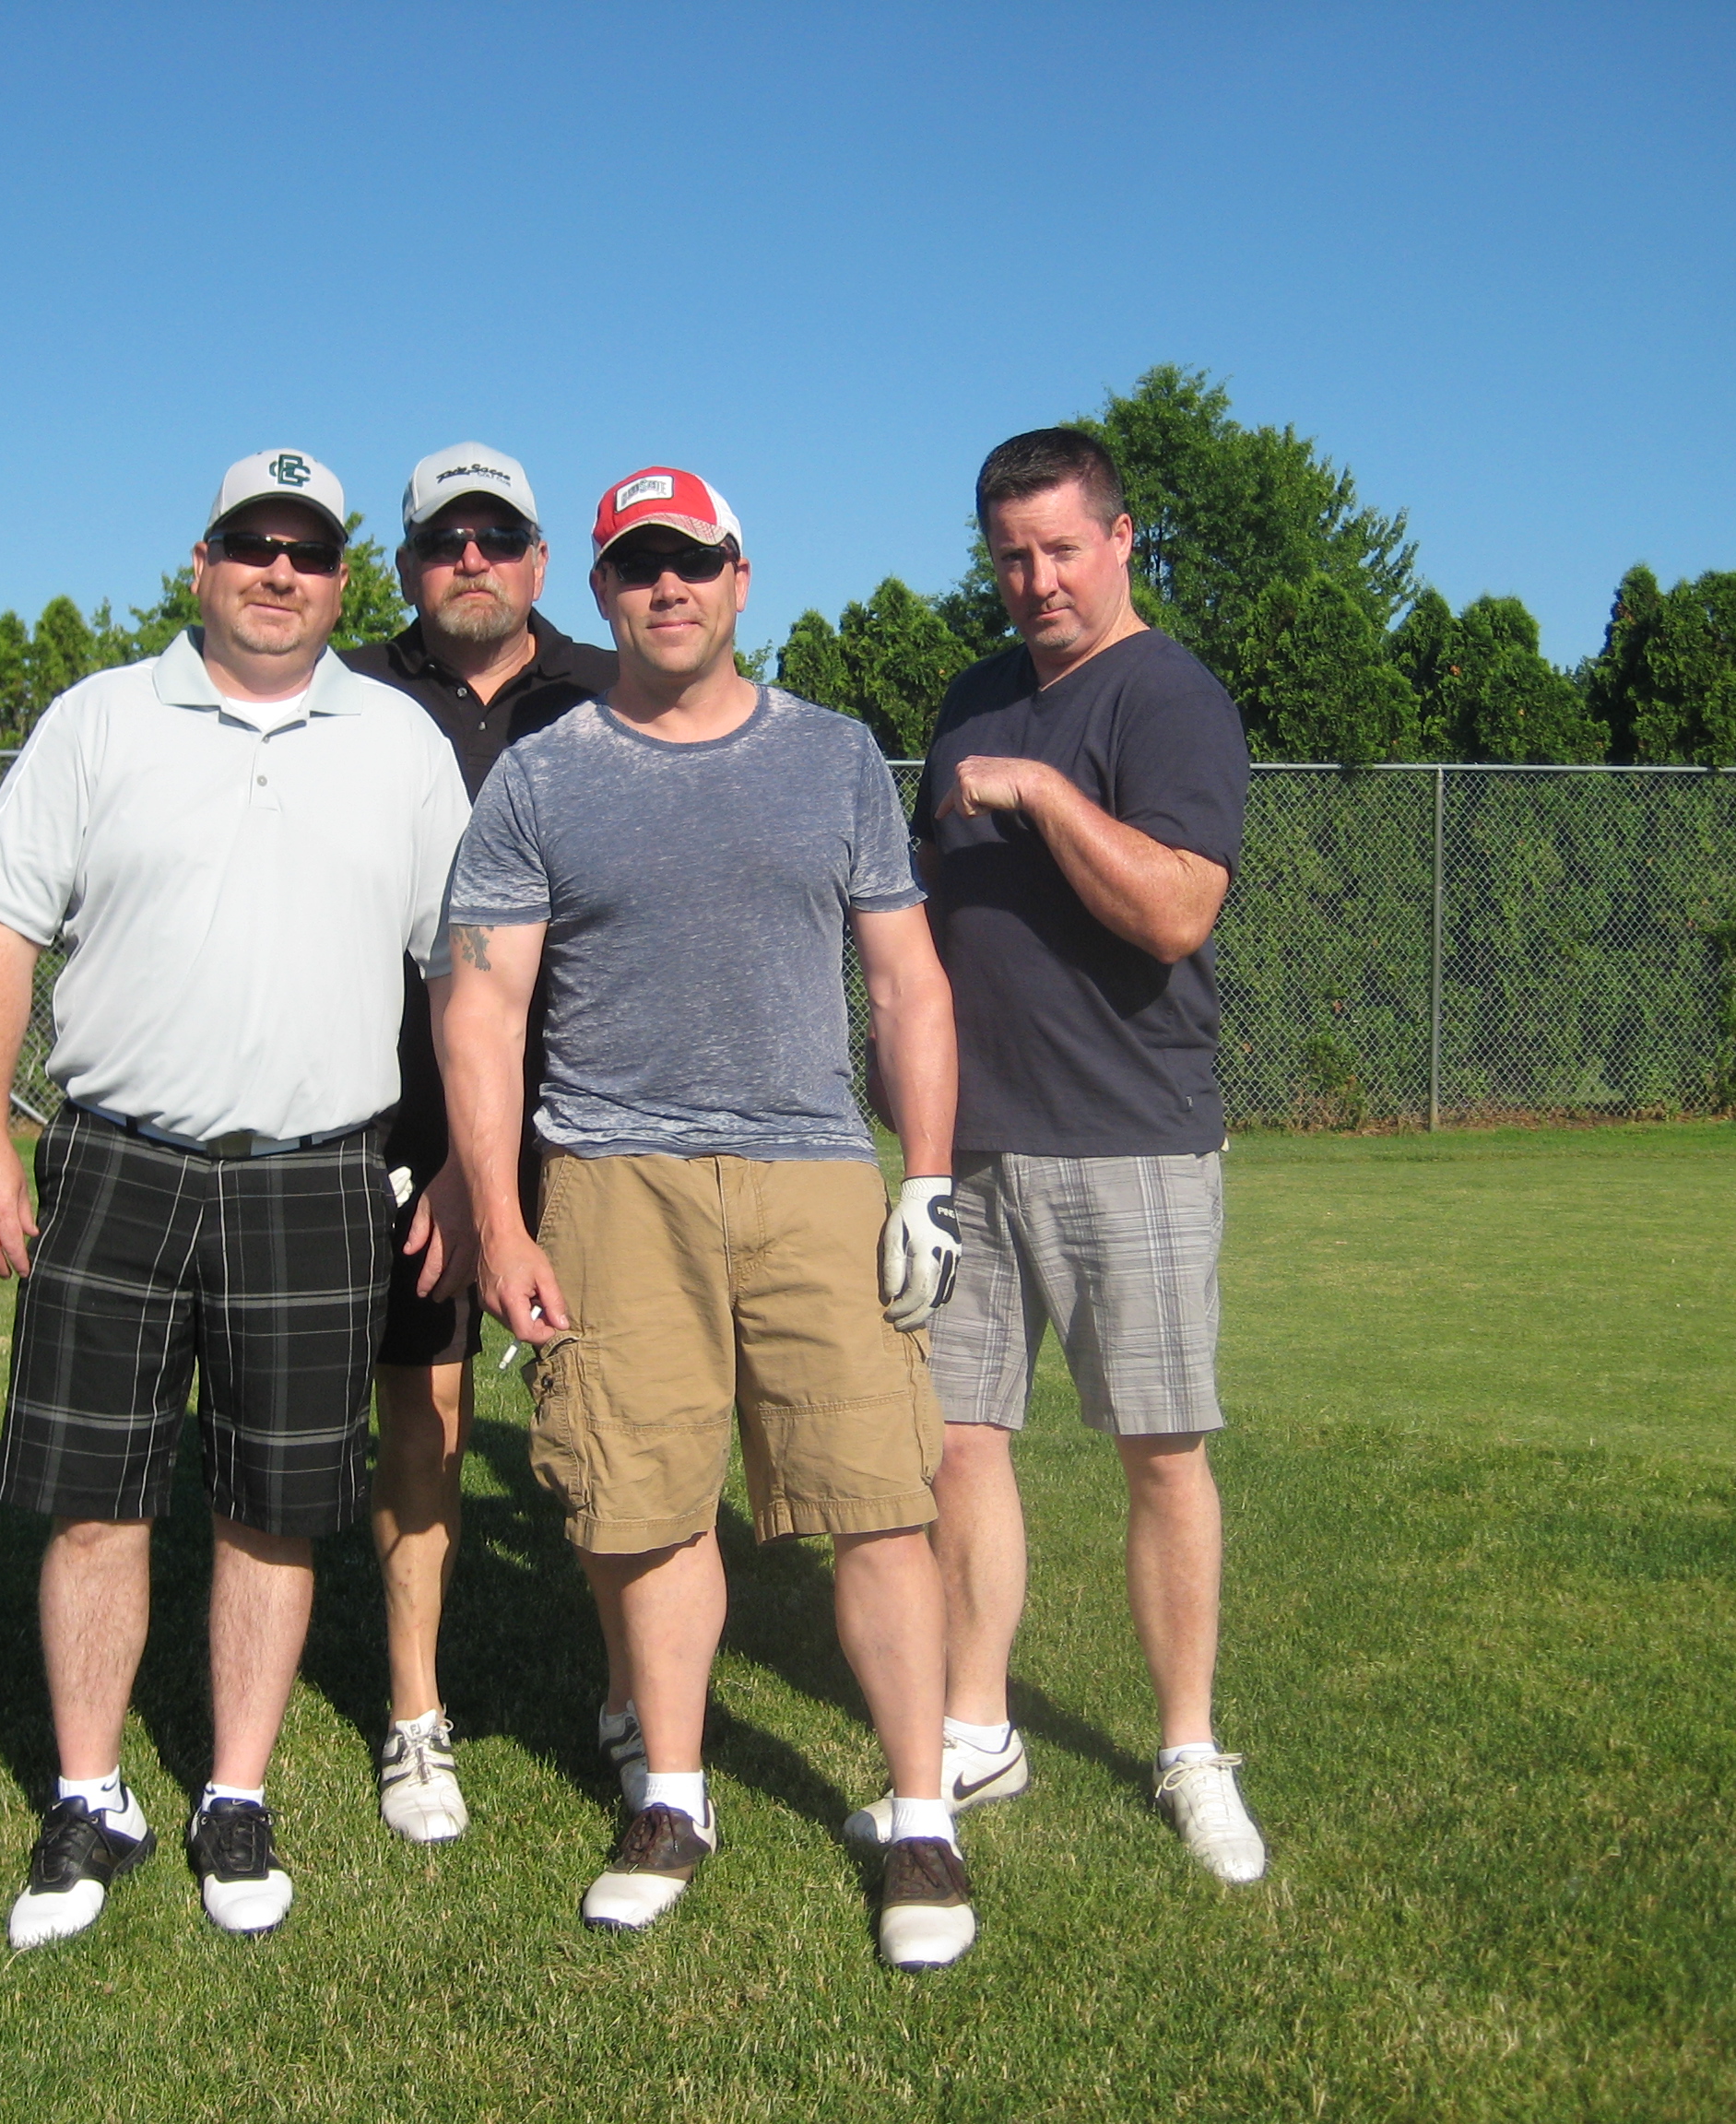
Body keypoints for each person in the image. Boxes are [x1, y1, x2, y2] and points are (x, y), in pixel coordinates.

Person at [439, 466, 980, 1973]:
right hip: (613, 1184)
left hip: (814, 1176)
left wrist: (928, 1181)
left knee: (880, 1499)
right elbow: (480, 1008)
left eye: (693, 561)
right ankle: (670, 1800)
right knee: (644, 1502)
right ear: (599, 594)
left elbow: (908, 983)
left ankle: (920, 1816)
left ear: (742, 578)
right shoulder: (543, 776)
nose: (666, 588)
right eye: (637, 566)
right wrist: (504, 1219)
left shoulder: (836, 757)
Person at [0, 449, 472, 1949]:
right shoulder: (98, 719)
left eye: (308, 551)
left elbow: (468, 971)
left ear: (344, 581)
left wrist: (470, 1169)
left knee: (275, 1508)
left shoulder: (401, 743)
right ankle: (89, 1794)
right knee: (97, 1501)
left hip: (319, 1178)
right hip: (118, 1163)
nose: (279, 573)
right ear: (202, 564)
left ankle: (235, 1794)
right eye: (253, 545)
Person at [854, 424, 1268, 1883]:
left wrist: (1039, 791)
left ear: (1121, 539)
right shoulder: (971, 699)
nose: (1036, 581)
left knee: (1161, 1451)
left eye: (1061, 550)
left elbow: (1176, 911)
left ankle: (1188, 1750)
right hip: (967, 1148)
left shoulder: (1170, 698)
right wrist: (910, 1119)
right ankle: (977, 1729)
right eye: (1011, 556)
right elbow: (921, 926)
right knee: (961, 1443)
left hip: (1129, 1143)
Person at [339, 443, 617, 1844]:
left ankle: (638, 1696)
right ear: (405, 564)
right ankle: (416, 1716)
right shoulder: (349, 694)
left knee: (616, 1409)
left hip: (598, 1107)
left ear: (538, 560)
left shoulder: (610, 691)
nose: (472, 560)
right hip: (398, 1106)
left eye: (497, 537)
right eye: (446, 539)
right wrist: (458, 1150)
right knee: (428, 1410)